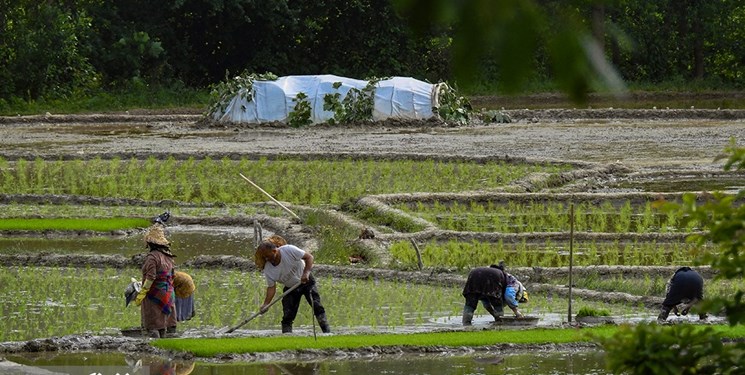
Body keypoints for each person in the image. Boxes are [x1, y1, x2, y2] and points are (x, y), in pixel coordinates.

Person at [255, 238, 330, 333]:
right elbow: (271, 288)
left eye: (267, 256)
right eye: (264, 257)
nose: (266, 259)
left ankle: (327, 332)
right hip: (291, 288)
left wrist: (306, 273)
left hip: (307, 281)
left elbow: (309, 257)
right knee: (288, 315)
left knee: (317, 306)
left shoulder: (289, 250)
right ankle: (287, 336)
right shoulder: (268, 269)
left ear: (274, 251)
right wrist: (266, 304)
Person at [134, 221, 176, 338]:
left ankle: (153, 353)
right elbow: (173, 276)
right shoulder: (169, 257)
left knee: (153, 327)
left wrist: (142, 293)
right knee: (163, 326)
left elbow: (151, 277)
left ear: (149, 243)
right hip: (168, 293)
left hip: (154, 294)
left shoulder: (152, 257)